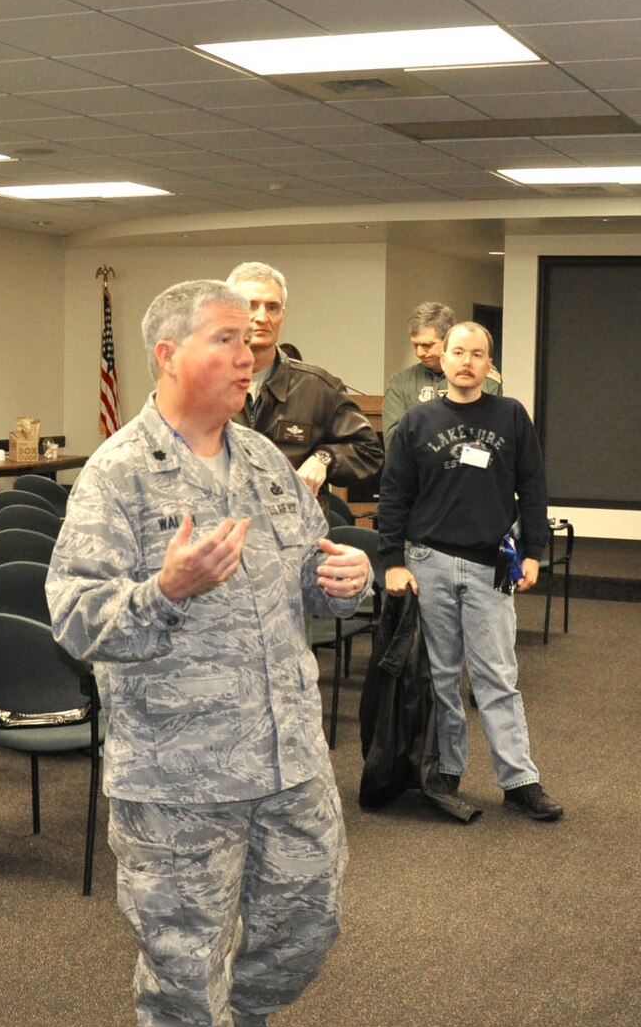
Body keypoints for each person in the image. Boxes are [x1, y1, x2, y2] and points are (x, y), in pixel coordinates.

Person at [48, 279, 371, 1027]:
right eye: (227, 338)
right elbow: (75, 618)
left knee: (307, 920)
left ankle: (252, 1016)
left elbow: (311, 570)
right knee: (184, 956)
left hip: (288, 753)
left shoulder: (266, 461)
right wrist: (164, 591)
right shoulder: (117, 474)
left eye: (250, 338)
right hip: (178, 773)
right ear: (168, 354)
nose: (249, 352)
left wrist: (343, 581)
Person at [378, 322, 563, 823]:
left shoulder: (511, 416)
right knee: (440, 677)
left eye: (476, 354)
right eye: (457, 352)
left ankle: (519, 780)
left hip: (490, 564)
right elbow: (394, 493)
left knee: (497, 677)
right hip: (427, 561)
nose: (466, 361)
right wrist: (391, 560)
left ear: (488, 364)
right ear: (444, 359)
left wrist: (533, 552)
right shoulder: (417, 420)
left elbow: (534, 485)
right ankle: (446, 772)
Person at [227, 262, 382, 497]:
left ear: (282, 316)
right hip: (222, 529)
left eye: (272, 307)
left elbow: (368, 451)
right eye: (251, 305)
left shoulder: (318, 388)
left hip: (296, 527)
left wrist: (325, 458)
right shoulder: (198, 386)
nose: (262, 317)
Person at [383, 301, 500, 435]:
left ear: (448, 340)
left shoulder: (480, 375)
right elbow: (394, 440)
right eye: (416, 345)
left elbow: (486, 431)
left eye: (428, 345)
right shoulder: (401, 383)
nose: (420, 352)